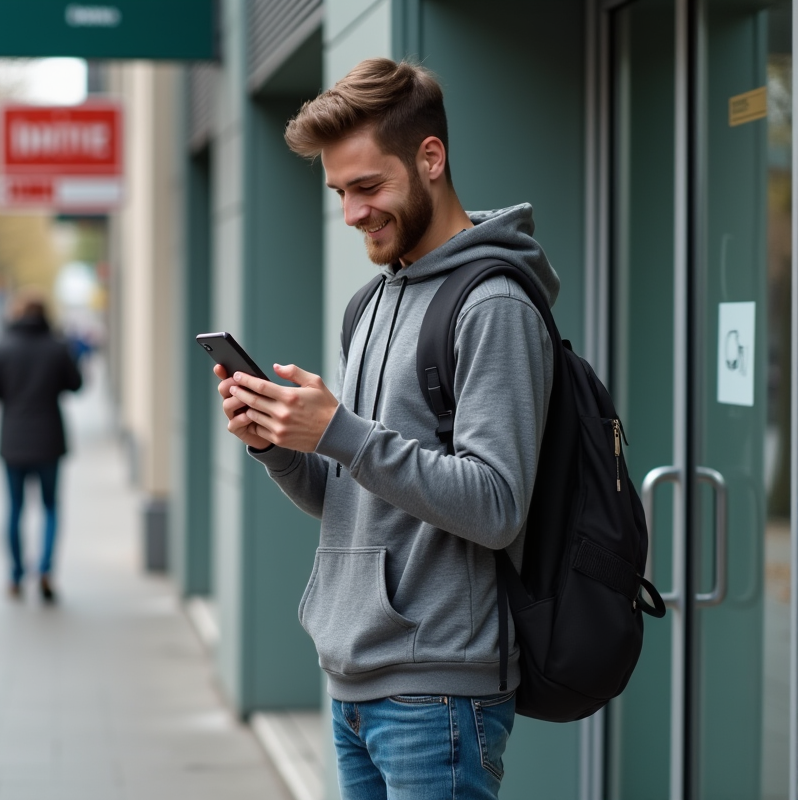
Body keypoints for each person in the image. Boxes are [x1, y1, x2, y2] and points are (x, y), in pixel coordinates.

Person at [213, 58, 557, 799]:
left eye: (368, 187)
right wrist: (276, 444)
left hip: (438, 696)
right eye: (340, 192)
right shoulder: (369, 305)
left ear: (430, 157)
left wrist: (343, 432)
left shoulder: (493, 304)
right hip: (353, 682)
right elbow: (355, 499)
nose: (352, 213)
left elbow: (497, 507)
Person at [0, 291, 83, 602]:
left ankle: (15, 575)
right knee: (50, 507)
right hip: (49, 438)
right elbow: (76, 384)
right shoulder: (57, 347)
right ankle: (46, 570)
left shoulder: (2, 348)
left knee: (15, 509)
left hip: (14, 439)